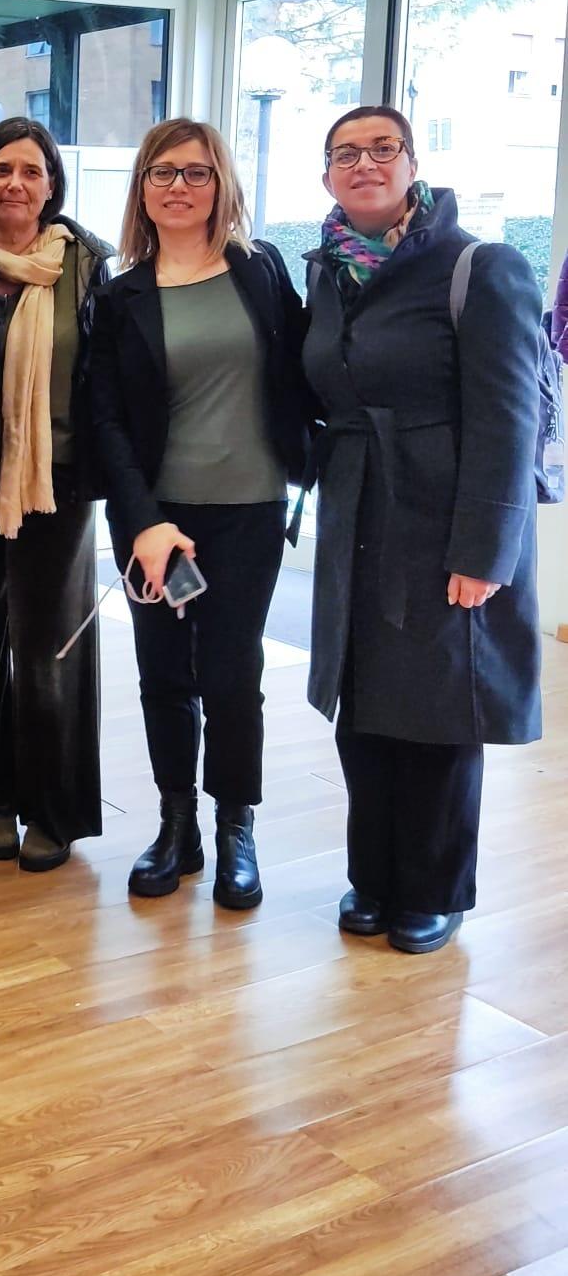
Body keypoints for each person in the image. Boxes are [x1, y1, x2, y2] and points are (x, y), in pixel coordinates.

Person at [304, 107, 541, 954]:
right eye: (345, 153)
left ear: (413, 163)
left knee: (440, 708)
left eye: (381, 149)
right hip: (357, 508)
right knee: (363, 701)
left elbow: (511, 421)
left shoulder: (480, 266)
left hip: (442, 519)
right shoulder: (328, 271)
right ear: (326, 173)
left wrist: (485, 551)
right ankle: (373, 874)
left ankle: (432, 889)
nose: (363, 163)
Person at [89, 118, 309, 910]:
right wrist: (143, 521)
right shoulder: (120, 296)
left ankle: (234, 830)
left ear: (222, 185)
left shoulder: (260, 271)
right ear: (141, 188)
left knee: (230, 673)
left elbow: (305, 371)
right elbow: (106, 420)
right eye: (162, 172)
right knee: (163, 675)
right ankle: (174, 824)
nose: (178, 186)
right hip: (157, 520)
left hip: (248, 509)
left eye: (196, 172)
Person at [0, 118, 109, 872]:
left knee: (48, 651)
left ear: (52, 186)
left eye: (31, 171)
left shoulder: (86, 266)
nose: (14, 184)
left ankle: (54, 807)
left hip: (54, 485)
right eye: (0, 168)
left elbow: (107, 379)